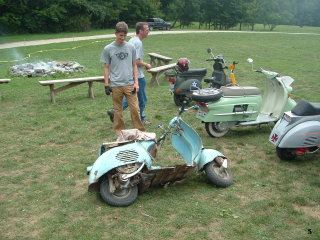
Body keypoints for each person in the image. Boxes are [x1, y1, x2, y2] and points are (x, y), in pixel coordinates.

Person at [100, 21, 145, 135]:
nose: (123, 38)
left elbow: (134, 65)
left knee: (135, 109)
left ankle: (139, 132)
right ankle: (120, 133)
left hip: (130, 83)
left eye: (125, 35)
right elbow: (106, 67)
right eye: (120, 35)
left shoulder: (131, 47)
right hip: (115, 85)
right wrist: (106, 84)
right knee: (118, 111)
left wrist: (136, 83)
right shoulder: (108, 49)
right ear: (115, 34)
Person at [107, 22, 152, 125]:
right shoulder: (138, 43)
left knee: (132, 97)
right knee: (142, 99)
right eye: (147, 30)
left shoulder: (131, 40)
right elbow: (136, 62)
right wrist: (146, 65)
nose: (148, 32)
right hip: (138, 76)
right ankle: (141, 119)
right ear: (140, 31)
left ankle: (114, 111)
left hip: (129, 75)